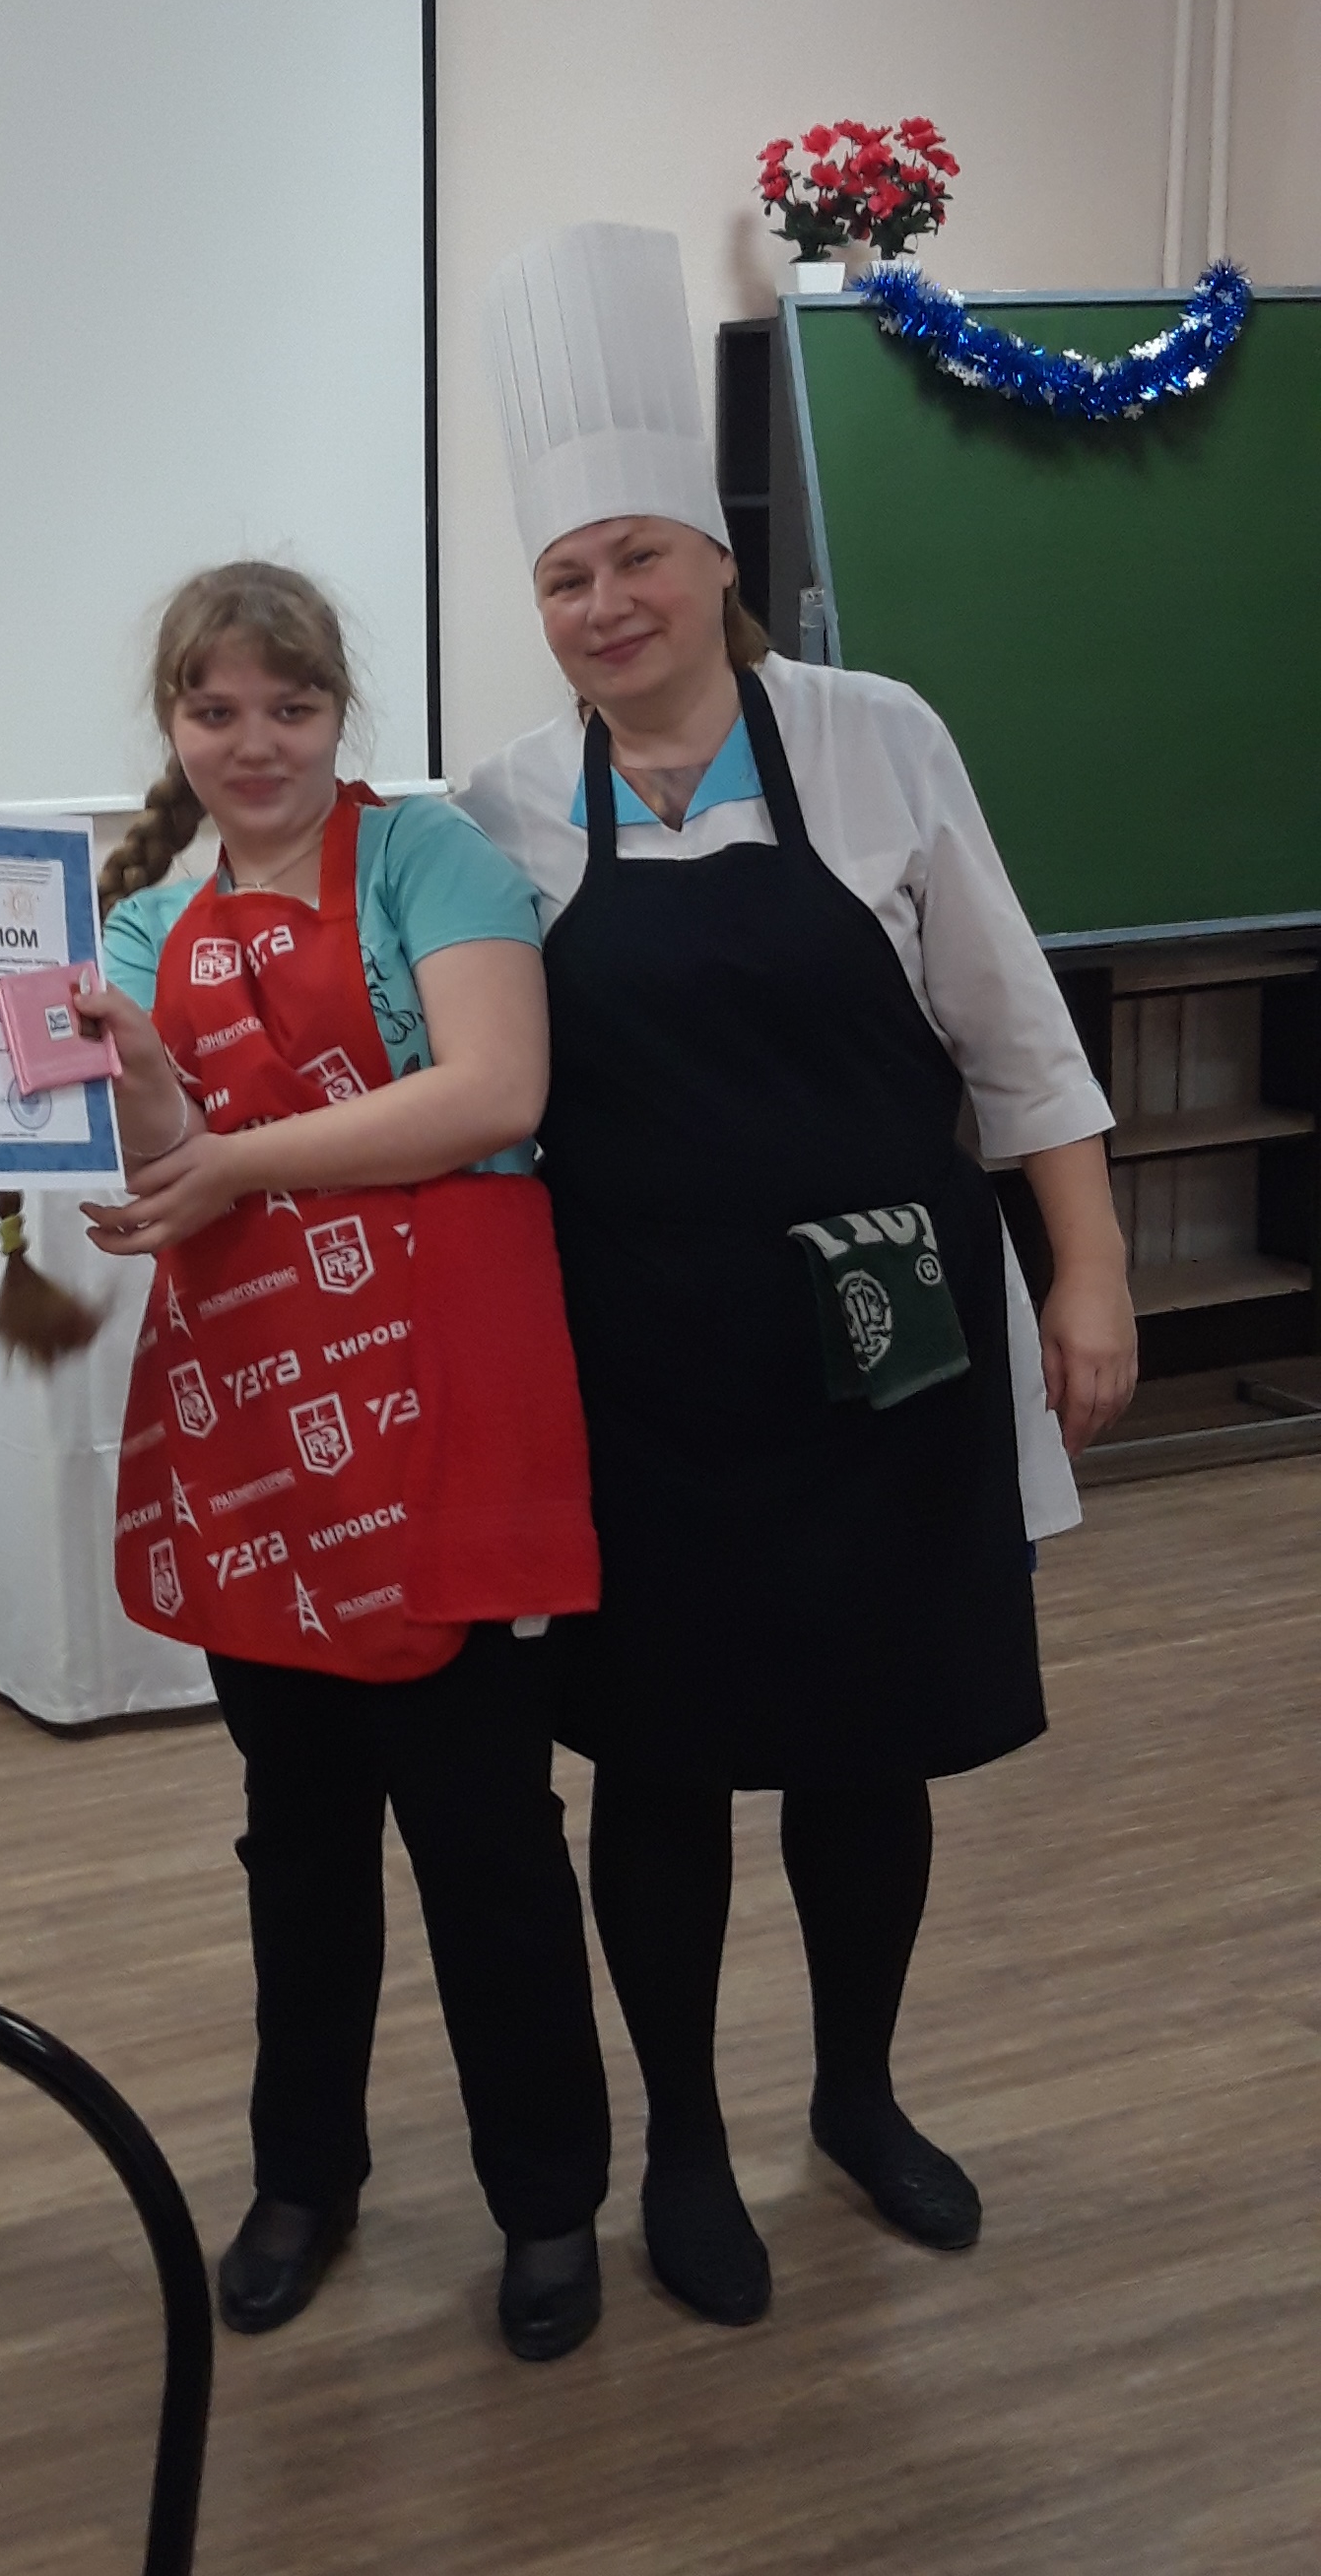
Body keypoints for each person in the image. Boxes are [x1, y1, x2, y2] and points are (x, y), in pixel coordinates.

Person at [457, 225, 1140, 2327]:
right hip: (642, 1367)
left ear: (713, 557)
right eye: (565, 577)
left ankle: (857, 2092)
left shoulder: (871, 737)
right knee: (658, 1766)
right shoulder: (502, 807)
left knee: (867, 1749)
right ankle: (681, 2137)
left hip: (886, 1348)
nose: (604, 606)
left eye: (637, 561)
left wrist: (1091, 1273)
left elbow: (1016, 1037)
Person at [69, 562, 611, 2360]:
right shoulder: (144, 926)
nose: (255, 744)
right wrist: (134, 1082)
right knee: (295, 1841)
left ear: (337, 715)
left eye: (289, 708)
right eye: (216, 711)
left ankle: (549, 2202)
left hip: (447, 1403)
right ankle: (303, 2175)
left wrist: (232, 1163)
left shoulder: (428, 857)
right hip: (263, 1432)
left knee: (486, 1838)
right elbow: (160, 1155)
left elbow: (497, 1092)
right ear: (174, 725)